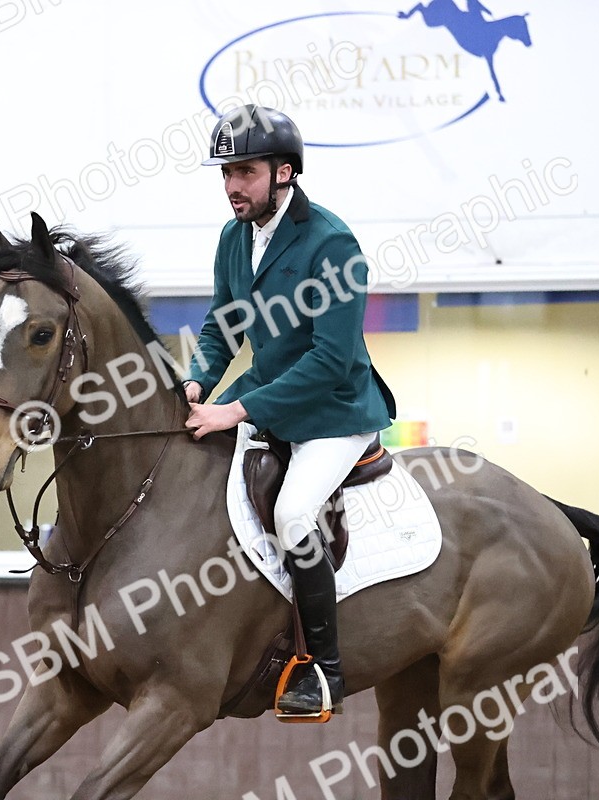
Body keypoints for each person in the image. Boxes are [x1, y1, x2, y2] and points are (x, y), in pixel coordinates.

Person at [183, 104, 397, 716]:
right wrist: (199, 384)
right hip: (270, 395)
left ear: (284, 173)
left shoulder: (332, 243)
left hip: (335, 411)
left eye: (244, 171)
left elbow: (330, 361)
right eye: (226, 172)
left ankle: (323, 671)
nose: (231, 186)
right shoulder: (233, 238)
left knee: (295, 512)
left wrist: (238, 409)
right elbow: (222, 328)